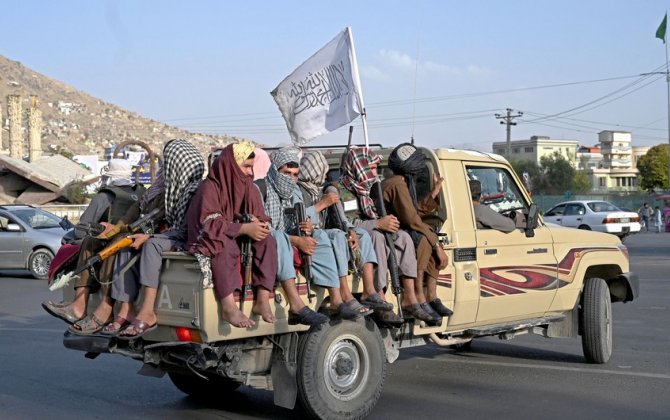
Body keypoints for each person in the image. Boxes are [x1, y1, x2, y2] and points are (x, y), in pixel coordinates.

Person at [258, 148, 369, 321]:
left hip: (289, 235)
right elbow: (263, 228)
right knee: (279, 237)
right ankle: (296, 304)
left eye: (295, 174)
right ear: (275, 170)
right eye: (286, 173)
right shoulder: (261, 188)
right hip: (267, 239)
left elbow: (296, 220)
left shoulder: (293, 191)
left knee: (321, 236)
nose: (291, 179)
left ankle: (336, 299)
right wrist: (296, 239)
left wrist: (307, 228)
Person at [111, 139, 205, 339]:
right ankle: (125, 308)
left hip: (190, 240)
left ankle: (147, 310)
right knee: (126, 243)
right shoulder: (174, 189)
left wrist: (151, 236)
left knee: (152, 245)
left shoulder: (195, 189)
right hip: (172, 235)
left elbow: (186, 229)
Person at [186, 142, 282, 328]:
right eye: (246, 166)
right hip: (213, 235)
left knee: (267, 240)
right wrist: (243, 229)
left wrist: (257, 223)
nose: (249, 172)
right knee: (223, 245)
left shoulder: (249, 187)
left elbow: (262, 219)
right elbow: (208, 224)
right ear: (231, 164)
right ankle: (228, 306)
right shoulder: (210, 187)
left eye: (251, 167)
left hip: (237, 233)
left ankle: (262, 299)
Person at [341, 146, 439, 324]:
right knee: (377, 237)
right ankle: (379, 296)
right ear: (359, 167)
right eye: (371, 168)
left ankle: (409, 297)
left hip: (376, 230)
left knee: (404, 237)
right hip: (356, 238)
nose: (374, 173)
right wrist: (378, 223)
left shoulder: (369, 189)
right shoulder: (346, 192)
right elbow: (347, 224)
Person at [41, 158, 144, 326]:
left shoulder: (106, 196)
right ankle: (78, 306)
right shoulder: (140, 192)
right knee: (91, 241)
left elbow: (81, 228)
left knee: (89, 241)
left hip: (124, 239)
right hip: (123, 234)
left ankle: (99, 306)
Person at [298, 151, 399, 321]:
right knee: (341, 235)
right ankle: (344, 294)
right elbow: (299, 218)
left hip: (328, 229)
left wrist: (350, 229)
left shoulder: (368, 189)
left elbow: (343, 218)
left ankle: (369, 290)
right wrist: (323, 204)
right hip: (313, 232)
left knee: (363, 236)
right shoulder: (303, 190)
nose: (323, 173)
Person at [382, 143, 452, 321]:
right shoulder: (397, 183)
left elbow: (413, 211)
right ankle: (420, 295)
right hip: (392, 231)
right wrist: (436, 244)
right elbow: (412, 219)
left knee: (428, 237)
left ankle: (431, 296)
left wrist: (434, 192)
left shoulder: (402, 182)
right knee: (424, 240)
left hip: (400, 227)